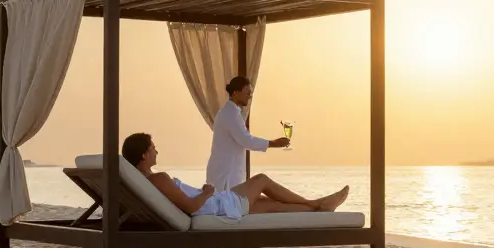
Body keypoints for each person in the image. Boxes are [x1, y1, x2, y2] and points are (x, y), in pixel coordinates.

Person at [123, 132, 348, 219]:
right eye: (153, 148)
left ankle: (319, 208)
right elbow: (191, 207)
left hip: (218, 206)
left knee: (268, 204)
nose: (156, 151)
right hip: (214, 205)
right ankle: (315, 202)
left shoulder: (144, 182)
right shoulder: (159, 178)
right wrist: (206, 192)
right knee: (261, 180)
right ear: (143, 155)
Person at [205, 76, 289, 193]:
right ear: (236, 93)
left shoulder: (231, 112)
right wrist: (274, 143)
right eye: (247, 92)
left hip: (225, 174)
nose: (250, 96)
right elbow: (246, 140)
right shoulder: (231, 114)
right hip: (226, 176)